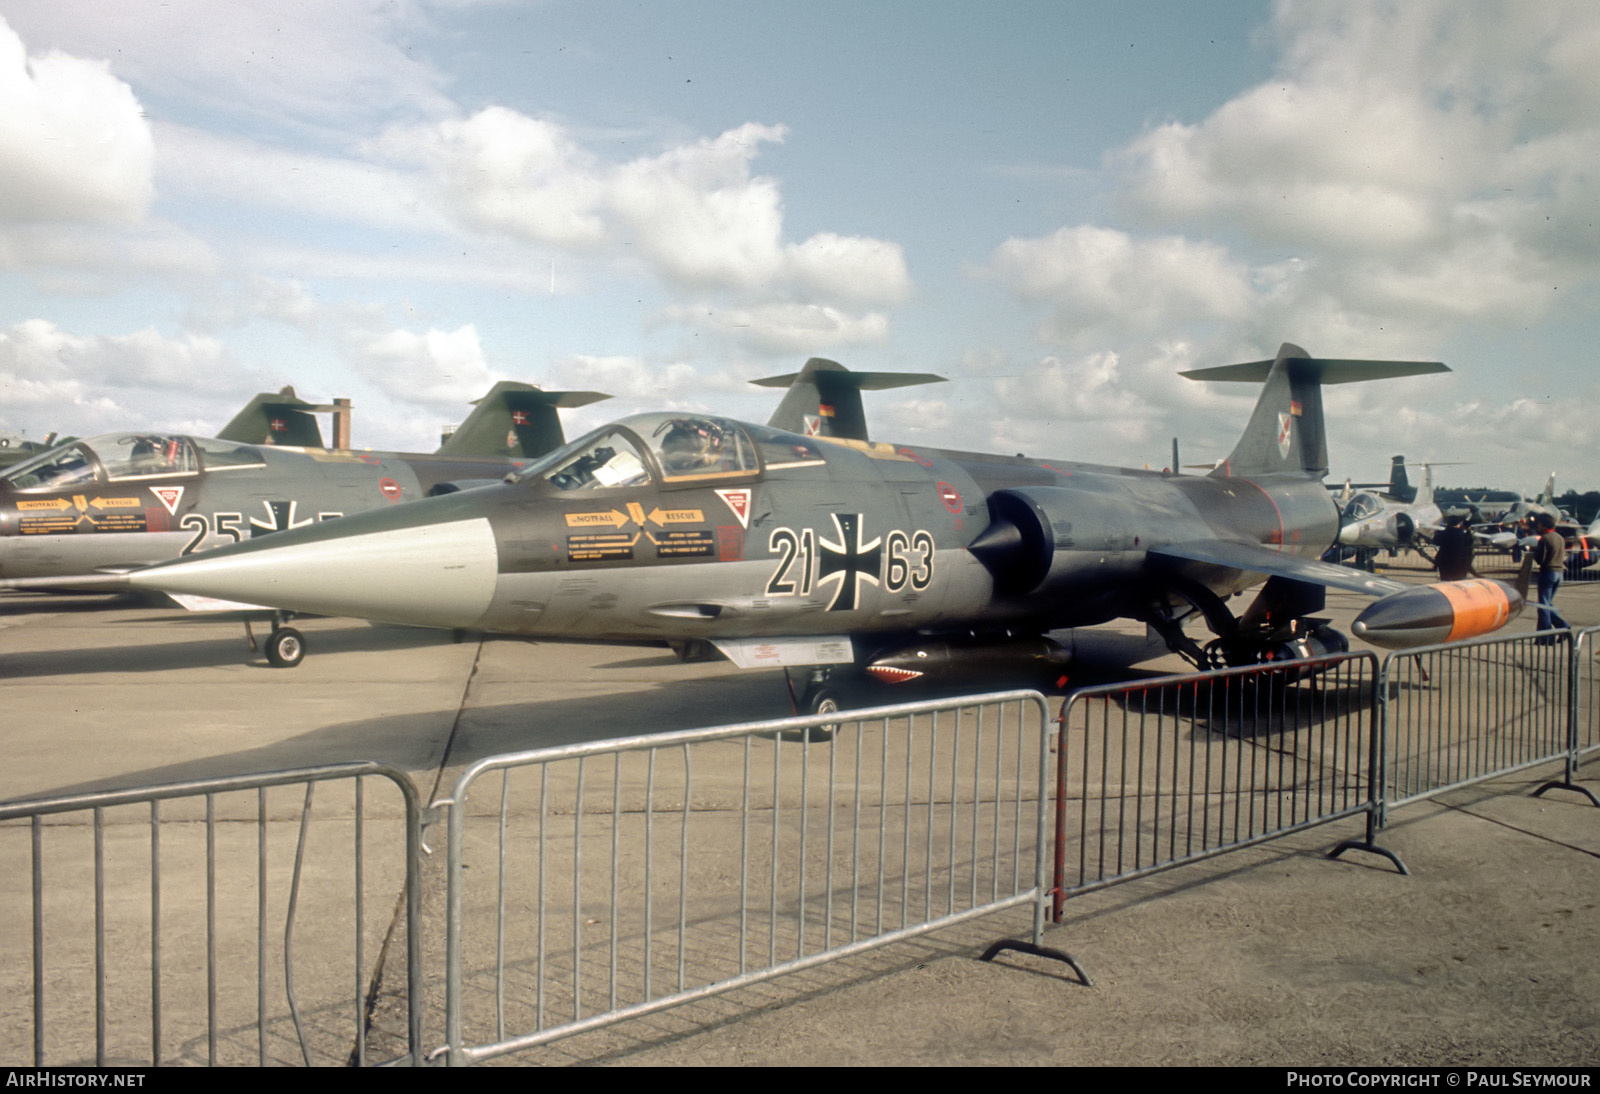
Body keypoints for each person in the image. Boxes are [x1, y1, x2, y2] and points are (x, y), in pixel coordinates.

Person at [1531, 512, 1570, 639]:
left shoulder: (1545, 539)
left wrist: (1533, 551)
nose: (1537, 526)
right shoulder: (1559, 537)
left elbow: (1540, 560)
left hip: (1548, 572)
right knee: (1548, 604)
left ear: (1543, 525)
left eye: (1538, 524)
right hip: (1559, 573)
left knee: (1543, 606)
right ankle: (1562, 628)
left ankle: (1547, 636)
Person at [1432, 516, 1475, 581]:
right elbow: (1470, 541)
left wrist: (1437, 532)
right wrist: (1468, 529)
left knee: (1446, 582)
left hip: (1445, 563)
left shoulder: (1444, 533)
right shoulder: (1463, 534)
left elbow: (1436, 541)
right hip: (1460, 564)